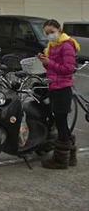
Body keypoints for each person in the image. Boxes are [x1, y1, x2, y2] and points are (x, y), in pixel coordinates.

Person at [38, 19, 79, 169]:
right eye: (47, 33)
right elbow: (52, 68)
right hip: (54, 87)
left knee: (61, 124)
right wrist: (44, 62)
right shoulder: (52, 46)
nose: (50, 35)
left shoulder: (67, 45)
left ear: (59, 30)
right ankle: (71, 156)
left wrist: (50, 63)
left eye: (52, 32)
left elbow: (69, 69)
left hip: (63, 88)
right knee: (61, 122)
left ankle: (61, 160)